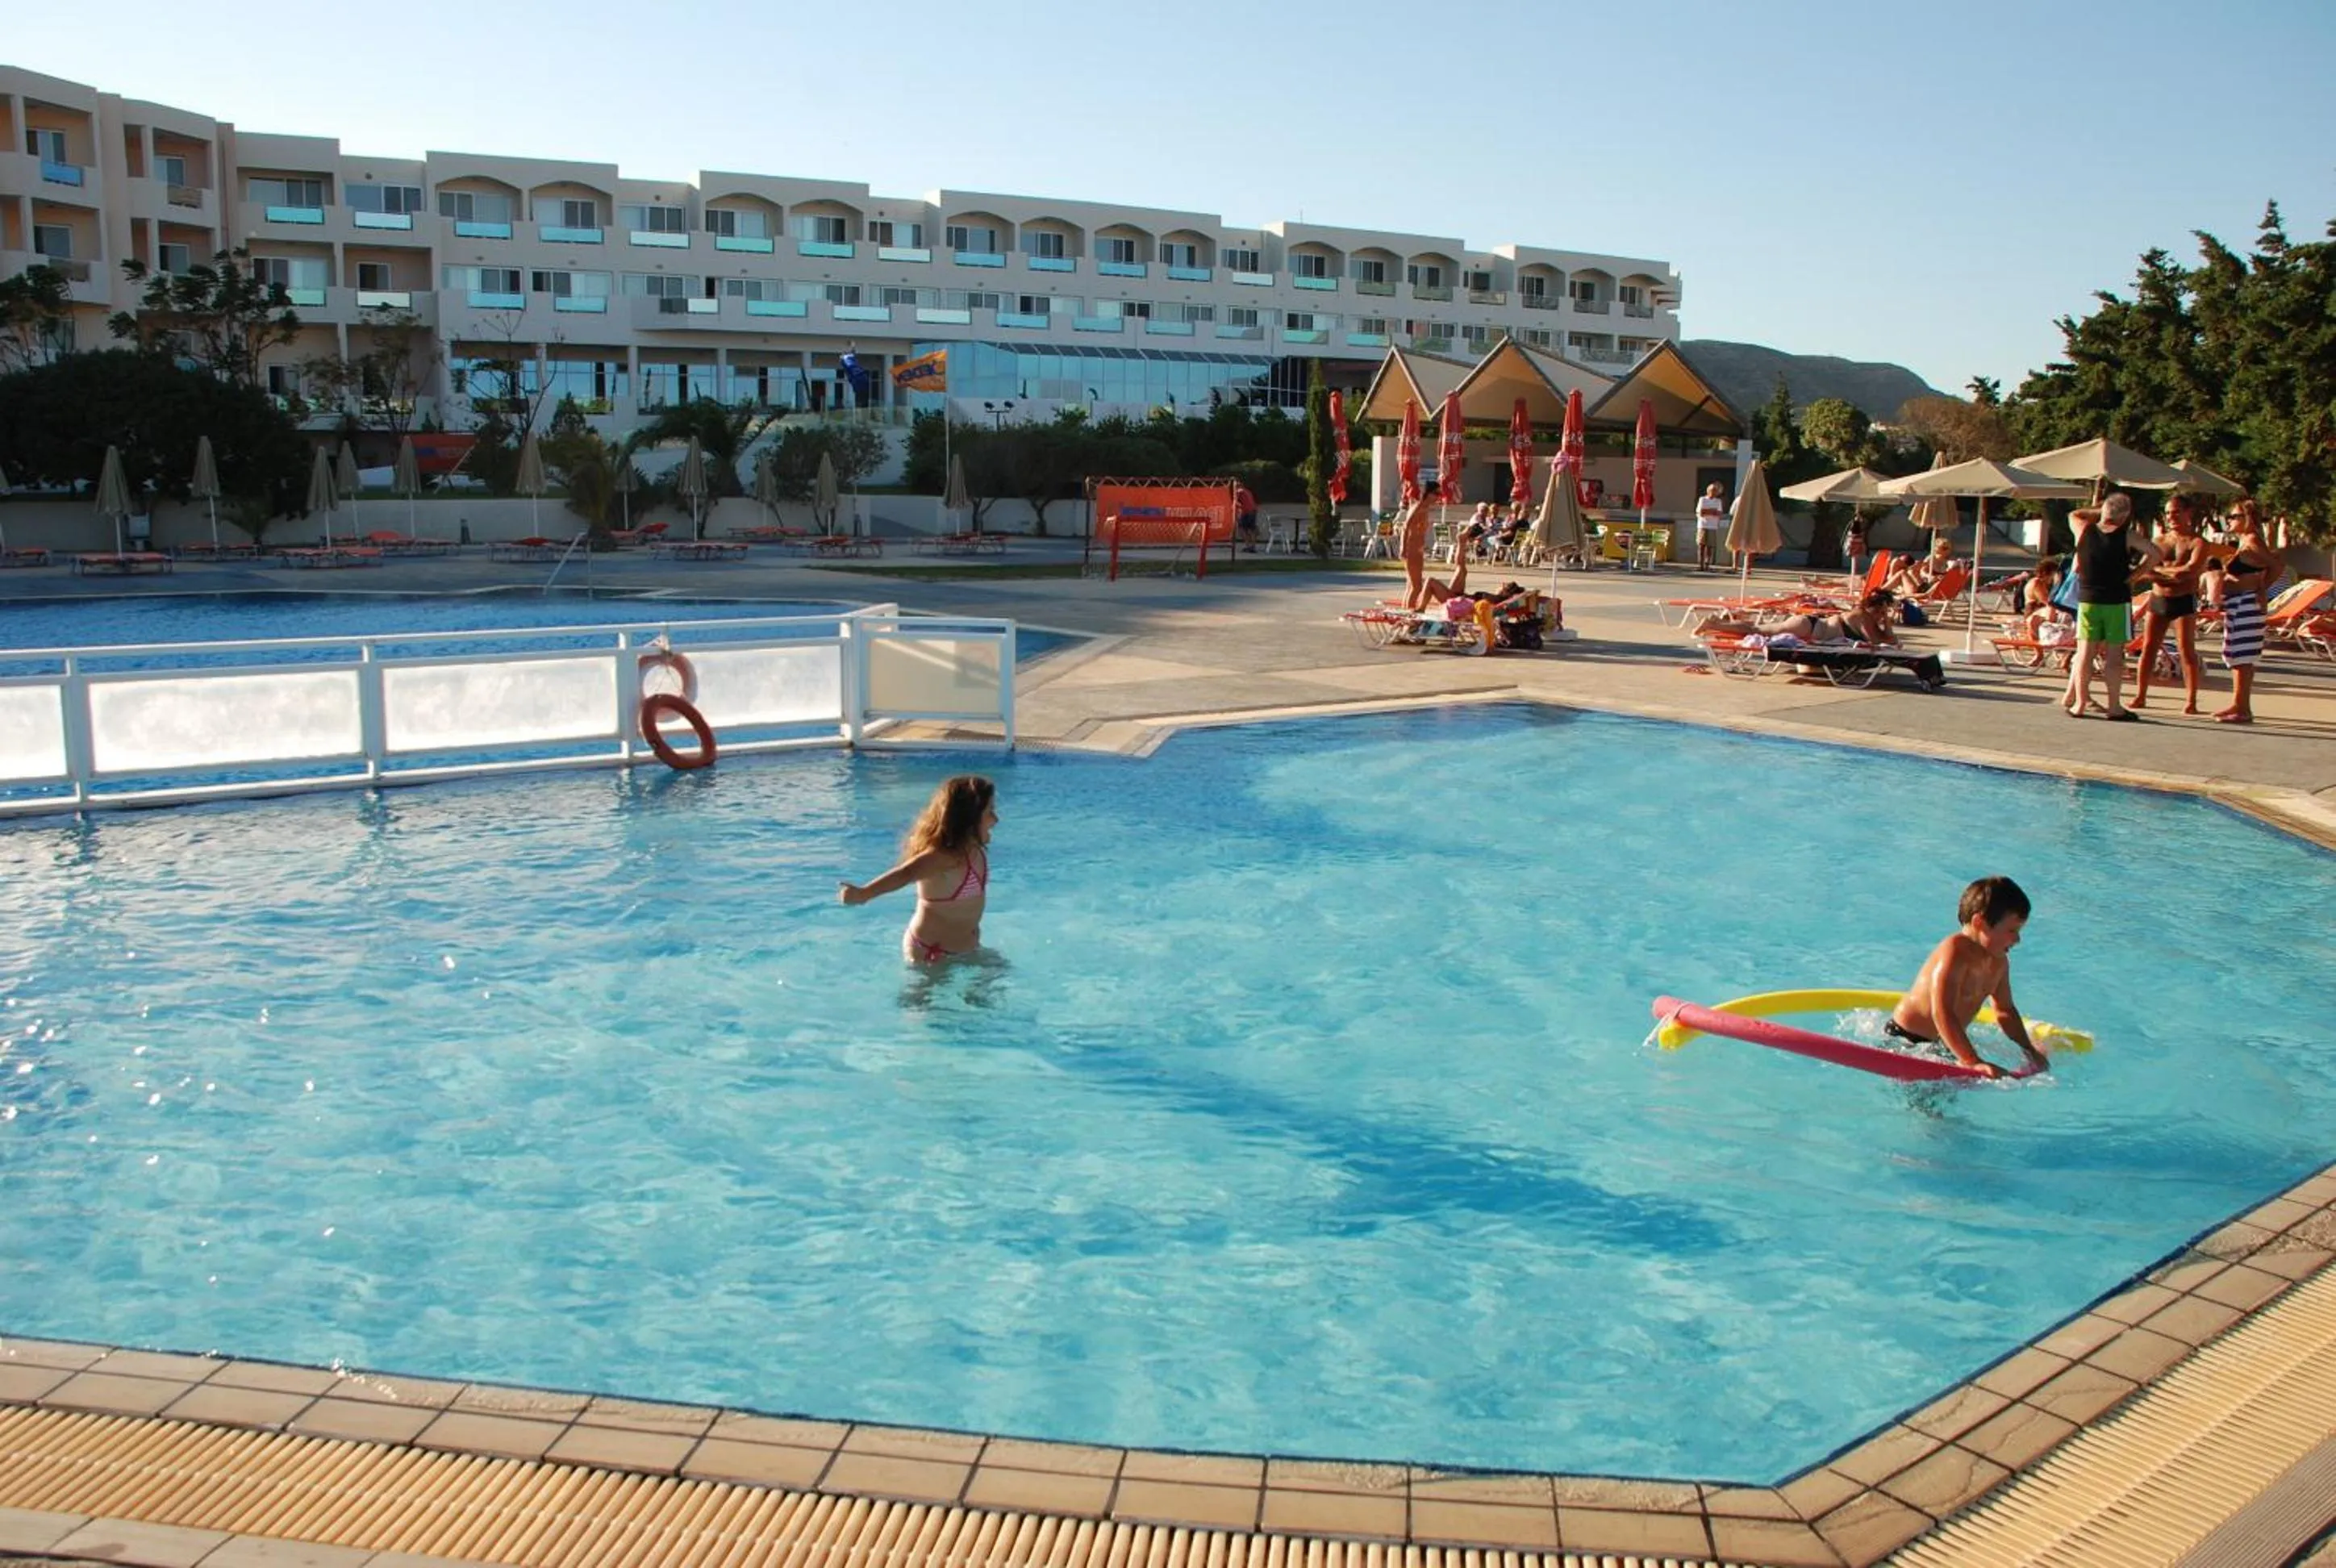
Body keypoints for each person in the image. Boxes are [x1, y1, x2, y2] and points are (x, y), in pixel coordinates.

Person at [1888, 876, 2048, 1081]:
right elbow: (1942, 1012)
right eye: (2012, 930)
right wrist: (1973, 1061)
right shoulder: (1954, 952)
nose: (2018, 939)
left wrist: (2029, 1050)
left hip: (1945, 1044)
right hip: (1906, 1040)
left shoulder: (1999, 963)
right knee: (1928, 1106)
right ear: (1980, 922)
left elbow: (2005, 1011)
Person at [839, 775, 997, 964]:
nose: (996, 819)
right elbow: (906, 873)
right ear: (968, 820)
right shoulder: (943, 858)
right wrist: (864, 894)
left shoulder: (975, 850)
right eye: (989, 812)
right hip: (931, 952)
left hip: (968, 948)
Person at [2063, 494, 2159, 721]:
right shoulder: (2127, 536)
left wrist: (2102, 511)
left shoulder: (2083, 529)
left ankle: (2080, 703)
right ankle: (2114, 706)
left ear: (2104, 510)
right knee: (2115, 656)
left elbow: (2073, 514)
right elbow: (2156, 553)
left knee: (2085, 653)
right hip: (2117, 600)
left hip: (2088, 599)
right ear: (2125, 516)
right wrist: (2137, 575)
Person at [2133, 497, 2207, 714]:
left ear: (2188, 512)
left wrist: (2160, 573)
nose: (2170, 517)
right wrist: (2172, 574)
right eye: (2167, 513)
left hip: (2184, 600)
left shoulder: (2198, 542)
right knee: (2148, 648)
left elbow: (2190, 572)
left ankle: (2191, 700)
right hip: (2159, 599)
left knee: (2187, 650)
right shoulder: (2159, 541)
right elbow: (2144, 571)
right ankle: (2140, 695)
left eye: (2175, 512)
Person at [2210, 498, 2278, 724]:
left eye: (2234, 516)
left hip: (2247, 603)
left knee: (2242, 655)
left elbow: (2277, 565)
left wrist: (2262, 587)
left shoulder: (2252, 541)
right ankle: (2239, 704)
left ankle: (2242, 708)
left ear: (2248, 518)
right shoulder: (2243, 542)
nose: (2229, 520)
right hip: (2239, 601)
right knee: (2236, 653)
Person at [1700, 589, 1900, 645]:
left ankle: (1718, 622)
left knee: (1759, 628)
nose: (1882, 615)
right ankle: (1713, 623)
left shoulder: (1868, 619)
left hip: (1810, 626)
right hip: (1808, 627)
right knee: (1757, 630)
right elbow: (1877, 641)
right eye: (1881, 611)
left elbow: (1888, 640)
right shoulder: (1862, 616)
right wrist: (1887, 625)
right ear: (1870, 607)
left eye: (1885, 612)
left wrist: (1886, 624)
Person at [1400, 481, 1439, 610]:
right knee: (1417, 587)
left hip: (1417, 549)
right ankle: (1410, 615)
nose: (1438, 497)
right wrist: (1403, 548)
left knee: (1411, 585)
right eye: (1436, 493)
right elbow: (1405, 527)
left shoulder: (1425, 508)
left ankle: (1406, 612)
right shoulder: (1418, 507)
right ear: (1428, 494)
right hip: (1412, 549)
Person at [1695, 483, 1727, 570]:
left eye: (1715, 491)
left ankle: (1707, 564)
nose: (1714, 493)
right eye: (1712, 491)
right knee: (1701, 545)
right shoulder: (1702, 500)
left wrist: (1708, 511)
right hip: (1703, 525)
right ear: (1708, 491)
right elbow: (1701, 512)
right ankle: (1700, 564)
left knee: (1710, 546)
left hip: (1712, 526)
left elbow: (1719, 513)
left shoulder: (1718, 501)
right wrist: (1712, 511)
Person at [1233, 483, 1261, 552]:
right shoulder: (1248, 491)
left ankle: (1248, 545)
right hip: (1253, 510)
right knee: (1251, 529)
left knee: (1242, 528)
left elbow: (1236, 503)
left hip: (1247, 511)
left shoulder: (1239, 491)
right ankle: (1252, 546)